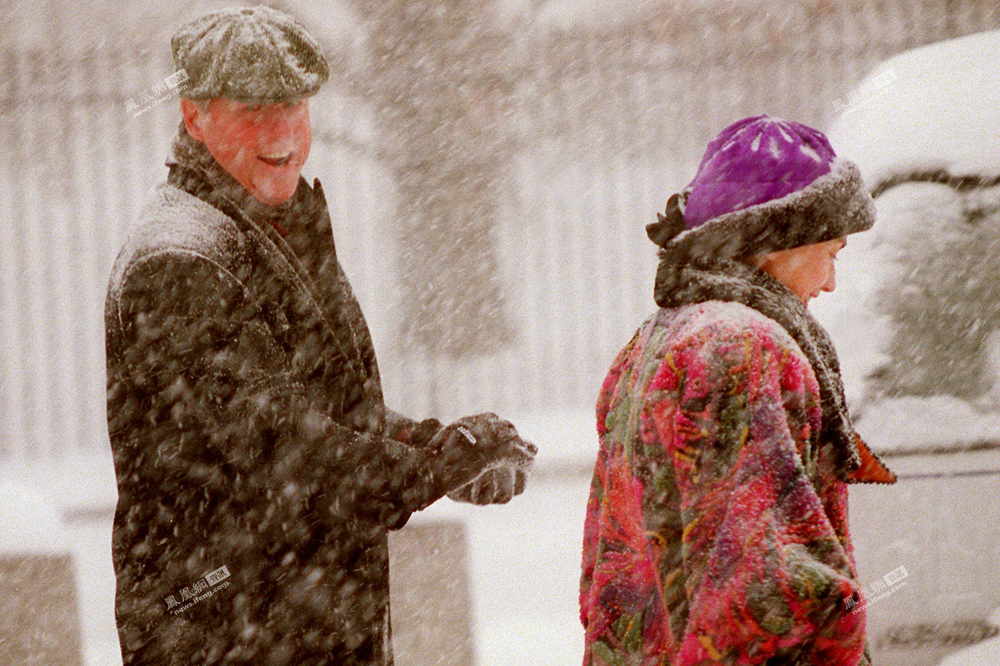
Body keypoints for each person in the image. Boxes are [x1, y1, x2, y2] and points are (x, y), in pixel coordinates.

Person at [105, 6, 535, 665]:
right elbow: (281, 454)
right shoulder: (182, 262)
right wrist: (426, 470)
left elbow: (329, 408)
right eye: (254, 109)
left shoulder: (267, 224)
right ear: (195, 115)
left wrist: (436, 448)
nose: (282, 132)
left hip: (291, 621)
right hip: (230, 633)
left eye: (295, 106)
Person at [579, 116, 897, 666]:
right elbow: (765, 594)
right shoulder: (740, 348)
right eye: (832, 252)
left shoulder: (659, 338)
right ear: (778, 243)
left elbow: (609, 570)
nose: (830, 283)